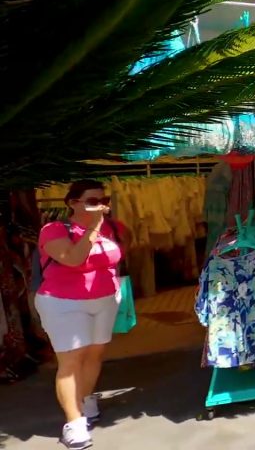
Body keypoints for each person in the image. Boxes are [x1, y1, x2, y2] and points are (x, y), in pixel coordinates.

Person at [36, 180, 126, 450]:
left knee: (95, 354)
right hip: (63, 302)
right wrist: (94, 227)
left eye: (103, 199)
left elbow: (118, 256)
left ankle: (85, 399)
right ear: (73, 203)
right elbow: (74, 258)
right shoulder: (53, 230)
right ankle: (74, 423)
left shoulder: (114, 228)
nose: (100, 205)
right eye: (91, 201)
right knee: (71, 360)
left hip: (104, 299)